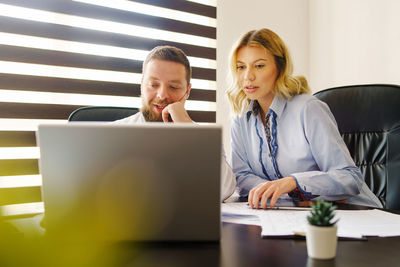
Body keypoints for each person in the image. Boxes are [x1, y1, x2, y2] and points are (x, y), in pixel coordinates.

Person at [226, 28, 382, 209]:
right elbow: (242, 177)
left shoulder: (308, 108)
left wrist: (293, 183)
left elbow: (349, 178)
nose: (248, 76)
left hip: (356, 214)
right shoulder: (240, 118)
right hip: (294, 214)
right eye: (241, 67)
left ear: (280, 67)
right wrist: (286, 195)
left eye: (259, 66)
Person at [115, 45, 236, 201]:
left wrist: (188, 128)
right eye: (153, 85)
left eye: (173, 87)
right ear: (142, 84)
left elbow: (224, 189)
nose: (162, 94)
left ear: (187, 92)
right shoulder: (114, 133)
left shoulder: (203, 139)